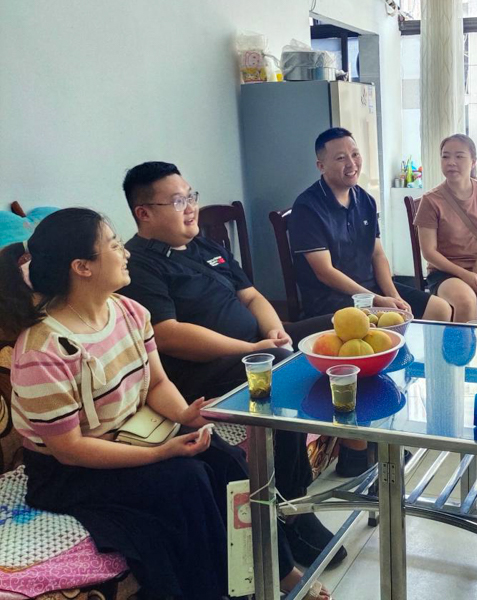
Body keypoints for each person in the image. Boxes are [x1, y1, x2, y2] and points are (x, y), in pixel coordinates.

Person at [0, 209, 329, 600]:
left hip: (134, 432)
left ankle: (278, 568)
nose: (125, 253)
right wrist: (159, 453)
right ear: (82, 267)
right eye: (114, 245)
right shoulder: (42, 351)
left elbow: (156, 382)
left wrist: (183, 414)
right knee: (186, 480)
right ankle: (216, 591)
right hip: (69, 470)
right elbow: (69, 449)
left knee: (227, 461)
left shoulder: (129, 312)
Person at [118, 161, 346, 567]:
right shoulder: (139, 265)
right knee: (279, 371)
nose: (191, 207)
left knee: (345, 323)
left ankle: (361, 449)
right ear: (144, 213)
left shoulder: (206, 246)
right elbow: (168, 334)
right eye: (177, 201)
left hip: (255, 344)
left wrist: (275, 331)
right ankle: (292, 511)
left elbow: (252, 296)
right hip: (202, 370)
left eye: (191, 196)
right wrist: (253, 347)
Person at [289, 127, 452, 322]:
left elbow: (377, 255)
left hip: (371, 288)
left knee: (440, 309)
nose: (352, 164)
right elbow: (325, 272)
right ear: (321, 166)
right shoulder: (307, 207)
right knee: (386, 322)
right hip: (331, 298)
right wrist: (376, 300)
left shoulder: (365, 200)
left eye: (355, 154)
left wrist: (394, 296)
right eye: (340, 158)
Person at [414, 134, 477, 324]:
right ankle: (462, 345)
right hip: (446, 272)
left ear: (473, 162)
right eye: (445, 156)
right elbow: (429, 252)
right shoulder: (431, 201)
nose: (451, 162)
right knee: (465, 302)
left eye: (459, 156)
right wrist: (464, 274)